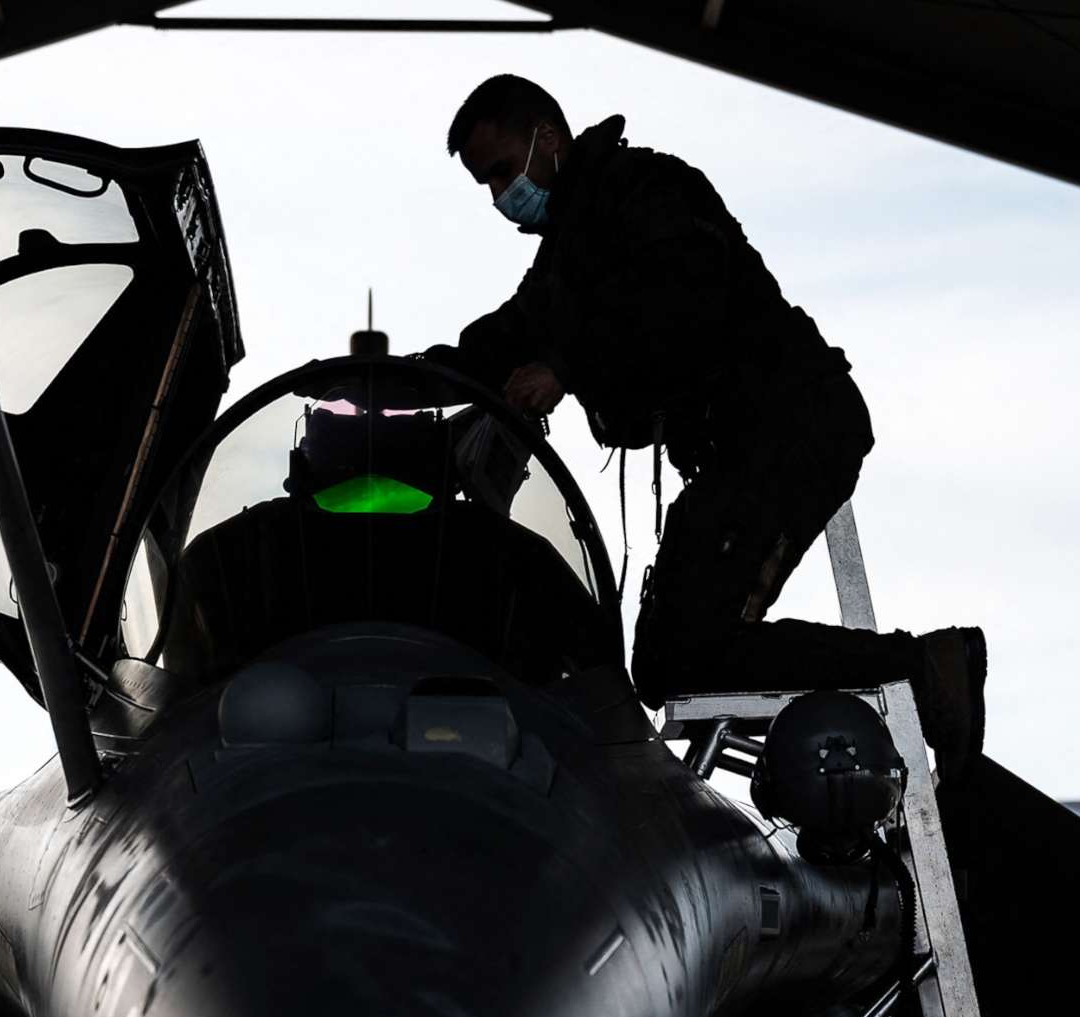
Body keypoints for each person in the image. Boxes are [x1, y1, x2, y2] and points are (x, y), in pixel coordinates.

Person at [421, 74, 986, 774]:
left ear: (549, 136)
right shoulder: (569, 260)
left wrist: (566, 367)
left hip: (787, 424)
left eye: (503, 171)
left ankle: (924, 668)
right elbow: (504, 338)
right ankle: (918, 670)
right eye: (486, 184)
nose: (501, 197)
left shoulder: (647, 190)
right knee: (663, 663)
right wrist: (413, 381)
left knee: (688, 646)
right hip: (737, 448)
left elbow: (683, 296)